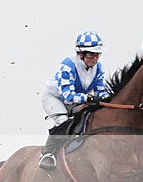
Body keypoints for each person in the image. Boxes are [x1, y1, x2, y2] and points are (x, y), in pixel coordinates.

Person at [38, 30, 110, 170]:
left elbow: (102, 92)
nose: (95, 58)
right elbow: (67, 96)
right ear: (80, 54)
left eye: (97, 54)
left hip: (76, 100)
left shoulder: (99, 68)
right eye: (91, 54)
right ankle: (47, 154)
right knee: (63, 120)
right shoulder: (67, 66)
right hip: (55, 98)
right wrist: (89, 97)